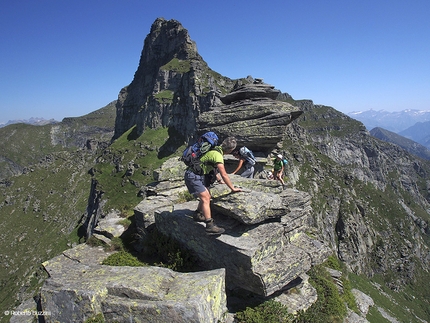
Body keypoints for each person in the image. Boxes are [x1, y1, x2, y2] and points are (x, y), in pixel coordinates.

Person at [184, 136, 242, 234]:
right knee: (206, 198)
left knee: (207, 195)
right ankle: (209, 225)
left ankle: (198, 214)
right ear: (230, 149)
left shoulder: (215, 150)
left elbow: (212, 167)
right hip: (193, 176)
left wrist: (219, 180)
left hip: (194, 175)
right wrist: (232, 188)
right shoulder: (218, 155)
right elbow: (224, 174)